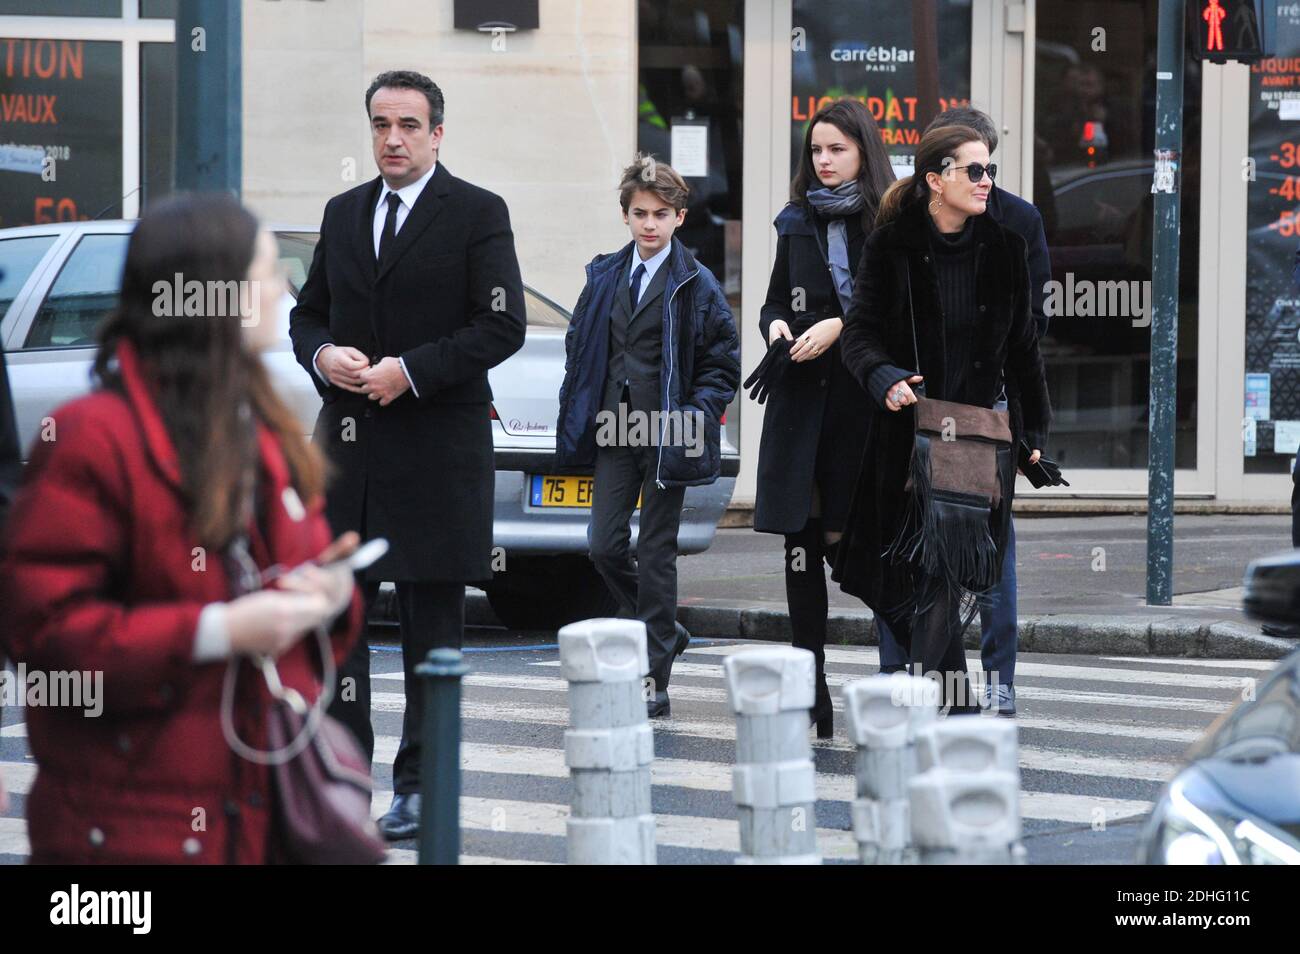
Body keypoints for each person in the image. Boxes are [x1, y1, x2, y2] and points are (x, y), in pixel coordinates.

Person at [0, 194, 362, 863]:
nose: (282, 290)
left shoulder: (265, 430)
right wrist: (219, 630)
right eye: (265, 273)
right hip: (127, 831)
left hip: (248, 813)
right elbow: (44, 636)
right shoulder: (93, 438)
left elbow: (303, 627)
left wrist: (329, 596)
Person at [289, 70, 526, 840]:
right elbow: (308, 315)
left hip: (437, 453)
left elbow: (503, 327)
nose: (392, 138)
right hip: (351, 456)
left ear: (437, 133)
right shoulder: (344, 211)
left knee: (432, 634)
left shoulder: (478, 214)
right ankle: (343, 780)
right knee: (342, 628)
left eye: (408, 125)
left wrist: (410, 370)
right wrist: (324, 356)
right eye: (381, 125)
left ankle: (421, 786)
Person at [834, 124, 1051, 715]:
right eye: (973, 171)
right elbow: (858, 335)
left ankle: (949, 709)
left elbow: (1024, 351)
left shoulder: (1005, 247)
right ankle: (949, 708)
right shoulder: (891, 247)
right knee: (918, 577)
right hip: (906, 440)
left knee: (946, 576)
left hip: (976, 441)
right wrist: (885, 378)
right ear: (935, 180)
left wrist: (1032, 439)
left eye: (990, 172)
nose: (986, 183)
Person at [555, 155, 740, 719]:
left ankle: (655, 676)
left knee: (657, 552)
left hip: (669, 431)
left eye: (661, 214)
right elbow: (582, 345)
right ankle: (664, 628)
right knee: (604, 544)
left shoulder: (697, 282)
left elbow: (722, 364)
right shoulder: (605, 272)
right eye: (640, 214)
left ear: (680, 217)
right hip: (615, 427)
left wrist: (695, 414)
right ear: (626, 215)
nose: (650, 224)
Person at [753, 99, 895, 737]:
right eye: (815, 151)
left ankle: (924, 662)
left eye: (836, 149)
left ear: (863, 150)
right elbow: (774, 299)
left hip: (858, 405)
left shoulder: (890, 219)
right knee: (800, 546)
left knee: (852, 548)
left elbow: (890, 306)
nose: (825, 161)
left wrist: (840, 325)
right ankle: (812, 689)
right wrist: (778, 324)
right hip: (799, 399)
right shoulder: (794, 221)